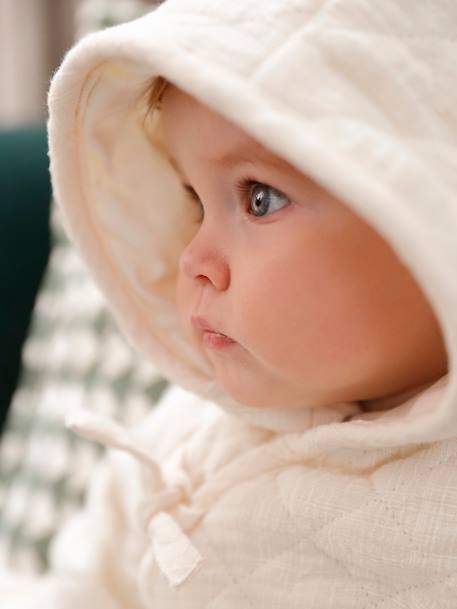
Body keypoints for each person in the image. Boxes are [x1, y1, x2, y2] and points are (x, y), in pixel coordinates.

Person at [3, 0, 457, 606]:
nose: (192, 258)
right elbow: (81, 589)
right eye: (195, 201)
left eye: (259, 198)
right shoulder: (185, 431)